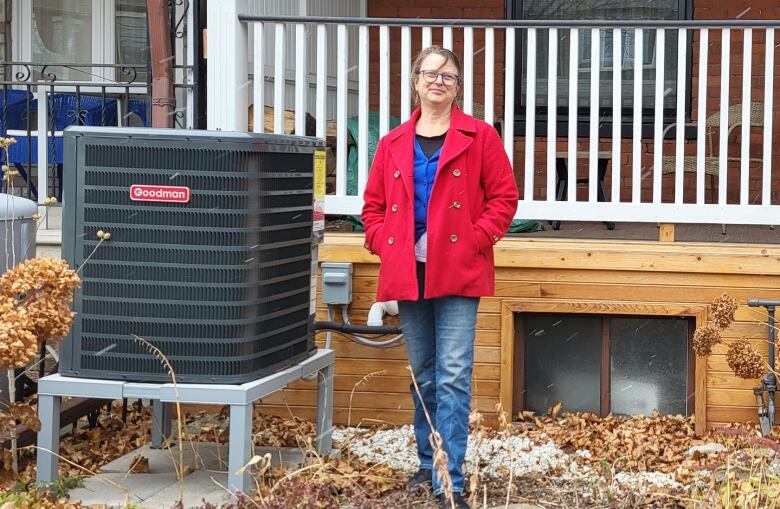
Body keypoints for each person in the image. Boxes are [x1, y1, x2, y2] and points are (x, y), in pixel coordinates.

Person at [361, 46, 519, 508]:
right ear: (415, 81)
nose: (438, 81)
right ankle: (427, 462)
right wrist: (383, 241)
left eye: (448, 75)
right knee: (424, 375)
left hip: (458, 271)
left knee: (452, 375)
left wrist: (474, 239)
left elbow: (504, 199)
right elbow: (371, 208)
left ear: (457, 86)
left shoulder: (480, 135)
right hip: (407, 272)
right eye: (430, 73)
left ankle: (450, 477)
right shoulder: (392, 143)